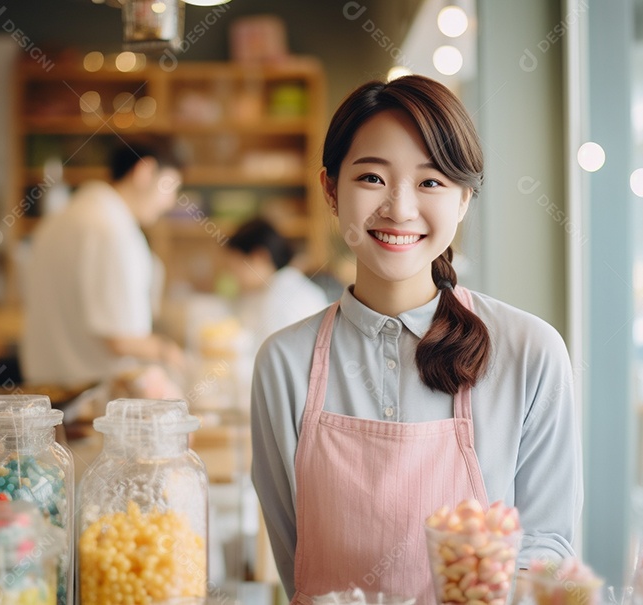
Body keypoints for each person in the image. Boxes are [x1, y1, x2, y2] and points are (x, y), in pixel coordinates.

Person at [251, 75, 581, 603]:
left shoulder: (531, 351)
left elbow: (546, 545)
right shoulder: (284, 363)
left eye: (431, 182)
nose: (400, 209)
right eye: (372, 178)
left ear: (464, 200)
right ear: (331, 190)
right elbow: (297, 557)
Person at [21, 144, 185, 387]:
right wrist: (166, 350)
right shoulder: (112, 229)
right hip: (92, 401)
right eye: (170, 188)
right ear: (145, 171)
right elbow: (119, 338)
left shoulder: (59, 220)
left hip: (46, 393)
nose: (170, 202)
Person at [224, 218, 328, 346]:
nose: (234, 276)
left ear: (259, 257)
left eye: (236, 267)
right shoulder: (291, 285)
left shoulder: (277, 296)